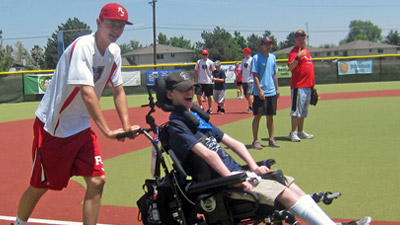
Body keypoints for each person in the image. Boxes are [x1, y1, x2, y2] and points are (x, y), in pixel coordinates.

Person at [163, 71, 372, 225]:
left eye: (191, 87)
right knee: (285, 193)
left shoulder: (196, 119)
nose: (190, 92)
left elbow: (233, 143)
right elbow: (208, 155)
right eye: (184, 90)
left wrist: (253, 167)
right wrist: (233, 178)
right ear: (170, 94)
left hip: (237, 174)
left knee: (289, 183)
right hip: (222, 183)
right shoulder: (177, 126)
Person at [13, 3, 138, 225]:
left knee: (98, 180)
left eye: (121, 26)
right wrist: (108, 131)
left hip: (80, 127)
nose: (116, 30)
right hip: (54, 127)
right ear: (98, 23)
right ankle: (19, 223)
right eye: (112, 24)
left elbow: (118, 89)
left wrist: (127, 126)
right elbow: (88, 93)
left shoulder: (114, 52)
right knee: (40, 186)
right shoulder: (83, 47)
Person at [251, 37, 280, 149]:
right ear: (261, 45)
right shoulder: (256, 58)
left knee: (270, 116)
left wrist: (277, 89)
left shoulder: (273, 57)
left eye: (270, 44)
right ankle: (255, 141)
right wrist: (259, 91)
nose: (269, 46)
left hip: (271, 91)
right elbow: (255, 75)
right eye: (266, 44)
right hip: (260, 93)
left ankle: (271, 139)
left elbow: (274, 74)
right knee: (257, 116)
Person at [288, 30, 315, 142]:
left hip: (308, 85)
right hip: (298, 86)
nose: (301, 40)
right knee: (296, 111)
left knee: (303, 111)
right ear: (295, 39)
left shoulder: (307, 51)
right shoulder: (294, 52)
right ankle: (293, 132)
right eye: (299, 38)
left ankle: (300, 131)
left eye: (303, 38)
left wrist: (313, 86)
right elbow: (291, 67)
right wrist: (298, 57)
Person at [193, 49, 215, 114]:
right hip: (200, 81)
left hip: (208, 81)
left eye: (206, 54)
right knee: (198, 94)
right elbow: (196, 70)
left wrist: (213, 77)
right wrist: (194, 78)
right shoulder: (199, 62)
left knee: (208, 96)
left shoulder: (210, 62)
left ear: (208, 55)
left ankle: (210, 108)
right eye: (203, 54)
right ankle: (201, 107)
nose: (204, 56)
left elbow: (213, 71)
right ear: (202, 55)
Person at [240, 47, 254, 114]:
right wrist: (237, 78)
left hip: (250, 80)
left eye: (244, 53)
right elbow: (241, 70)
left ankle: (250, 107)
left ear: (247, 53)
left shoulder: (252, 60)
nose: (242, 54)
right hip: (244, 80)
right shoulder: (243, 61)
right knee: (246, 95)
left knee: (249, 93)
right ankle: (253, 104)